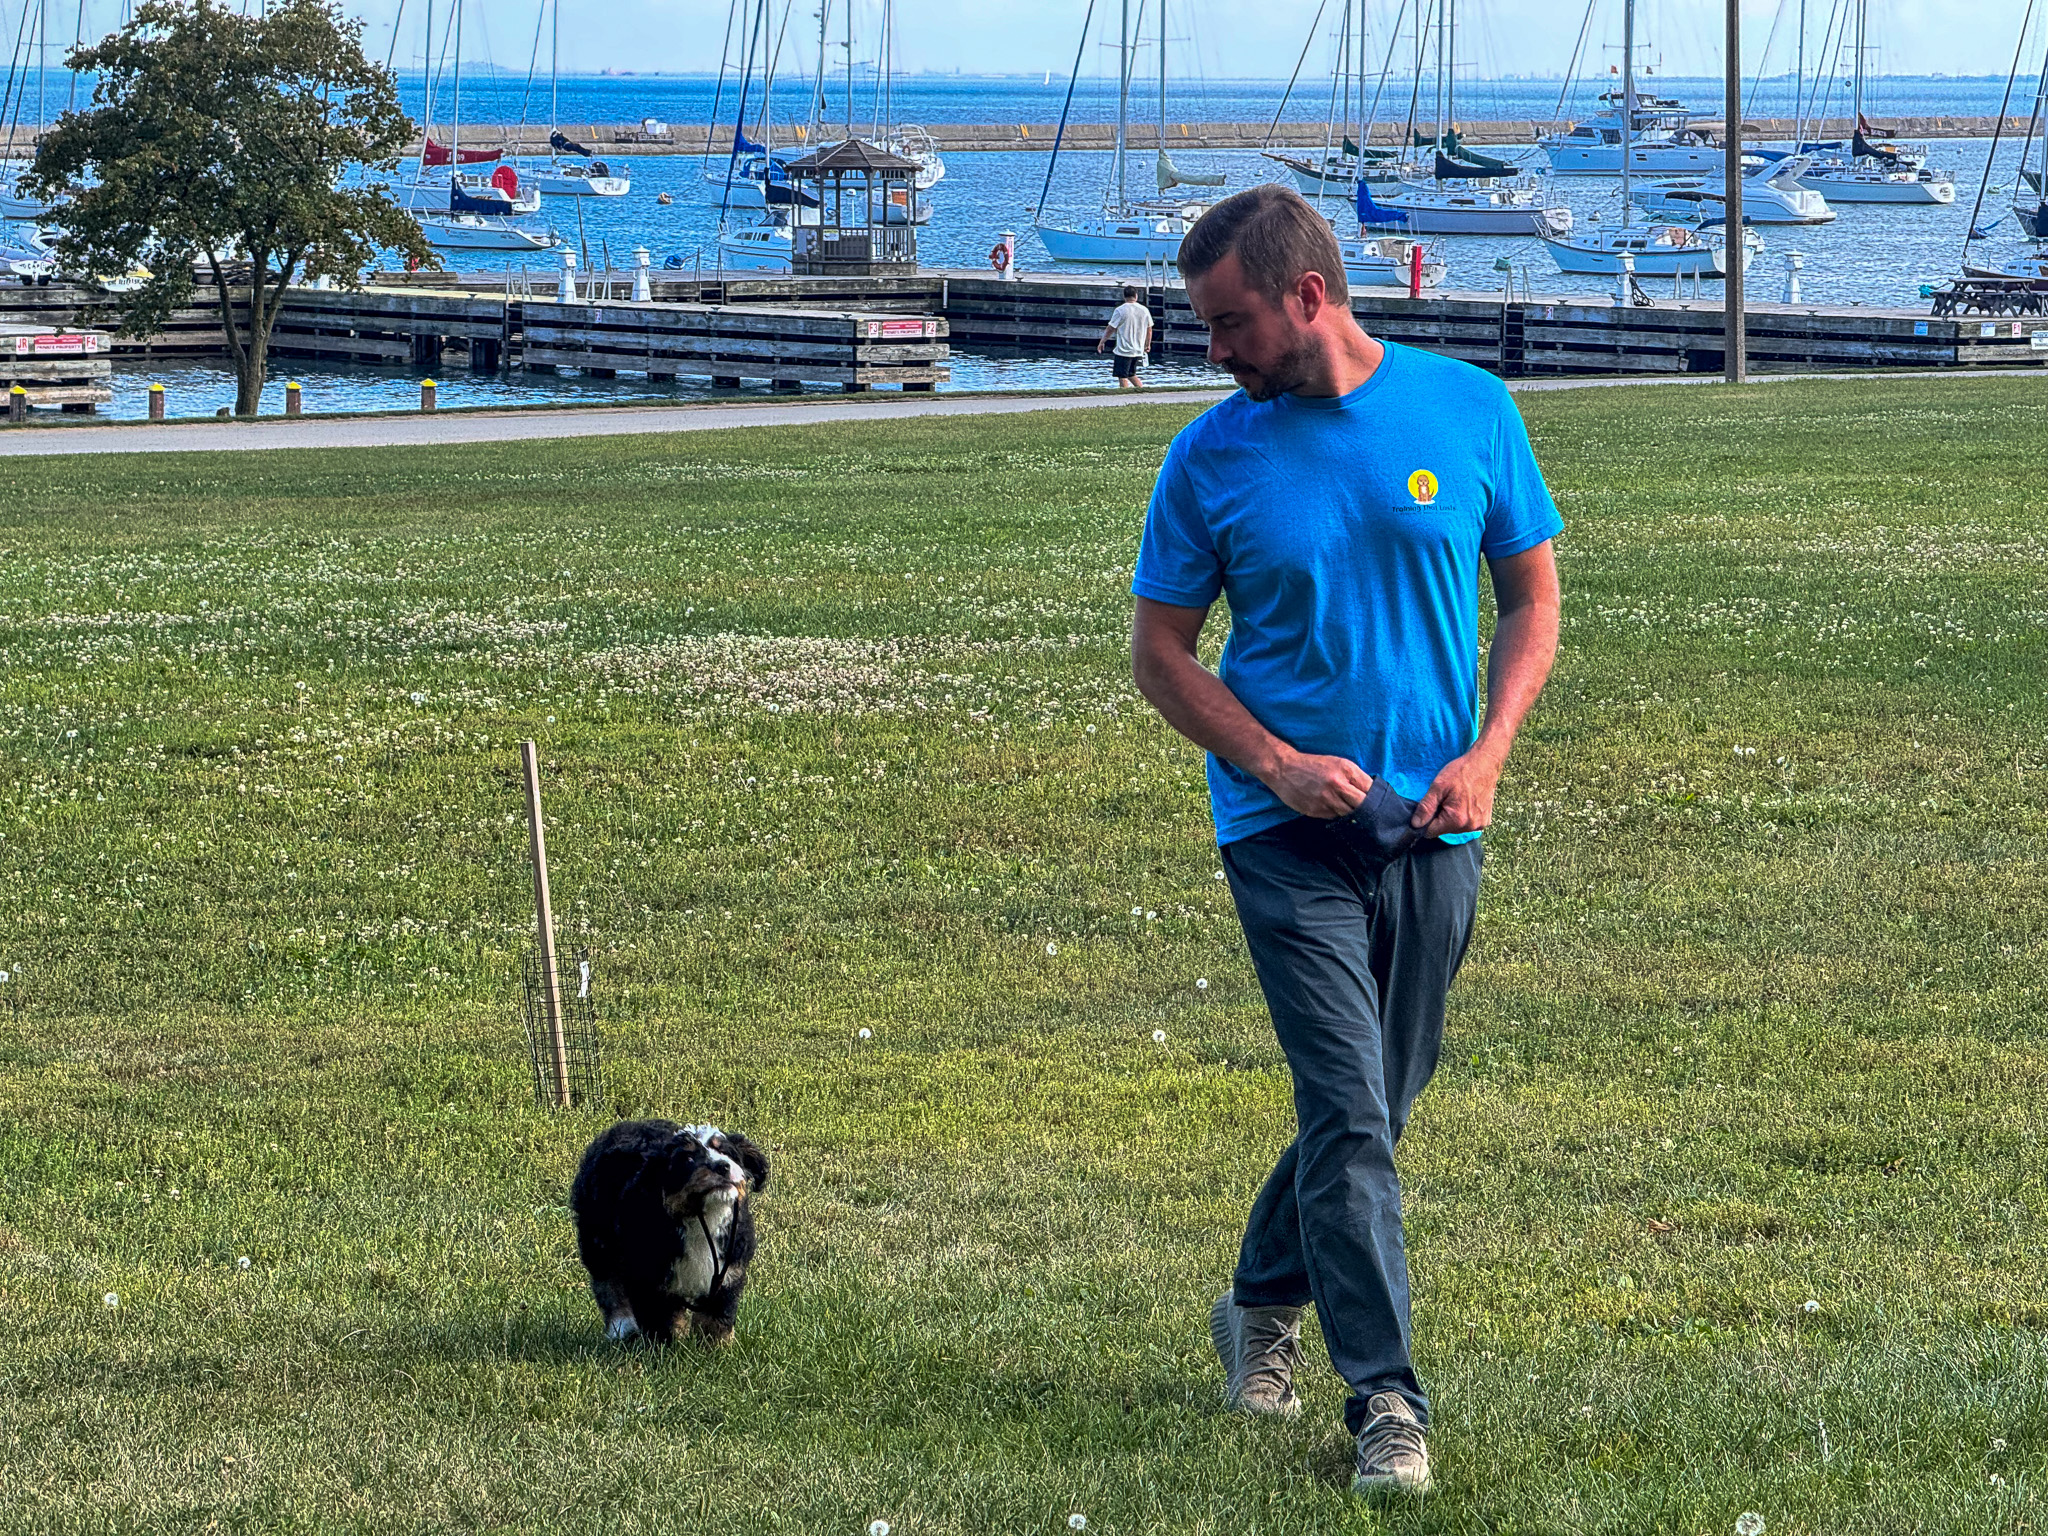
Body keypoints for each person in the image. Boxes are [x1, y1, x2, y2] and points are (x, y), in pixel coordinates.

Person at [1127, 185, 1562, 1498]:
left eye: (1229, 322)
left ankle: (1261, 1294)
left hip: (1437, 822)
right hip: (1281, 832)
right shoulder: (1211, 457)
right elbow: (1159, 655)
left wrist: (1487, 758)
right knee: (1350, 1113)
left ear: (1307, 297)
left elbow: (1531, 599)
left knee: (1374, 1106)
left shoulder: (1468, 409)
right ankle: (1386, 1404)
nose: (1214, 350)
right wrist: (1268, 762)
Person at [1097, 284, 1153, 388]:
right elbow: (1149, 329)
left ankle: (1124, 396)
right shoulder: (1144, 310)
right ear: (1136, 296)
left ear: (1124, 296)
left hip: (1124, 349)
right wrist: (1147, 344)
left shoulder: (1120, 310)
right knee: (1131, 374)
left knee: (1122, 376)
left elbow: (1111, 328)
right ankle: (1142, 391)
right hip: (1138, 349)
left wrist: (1102, 342)